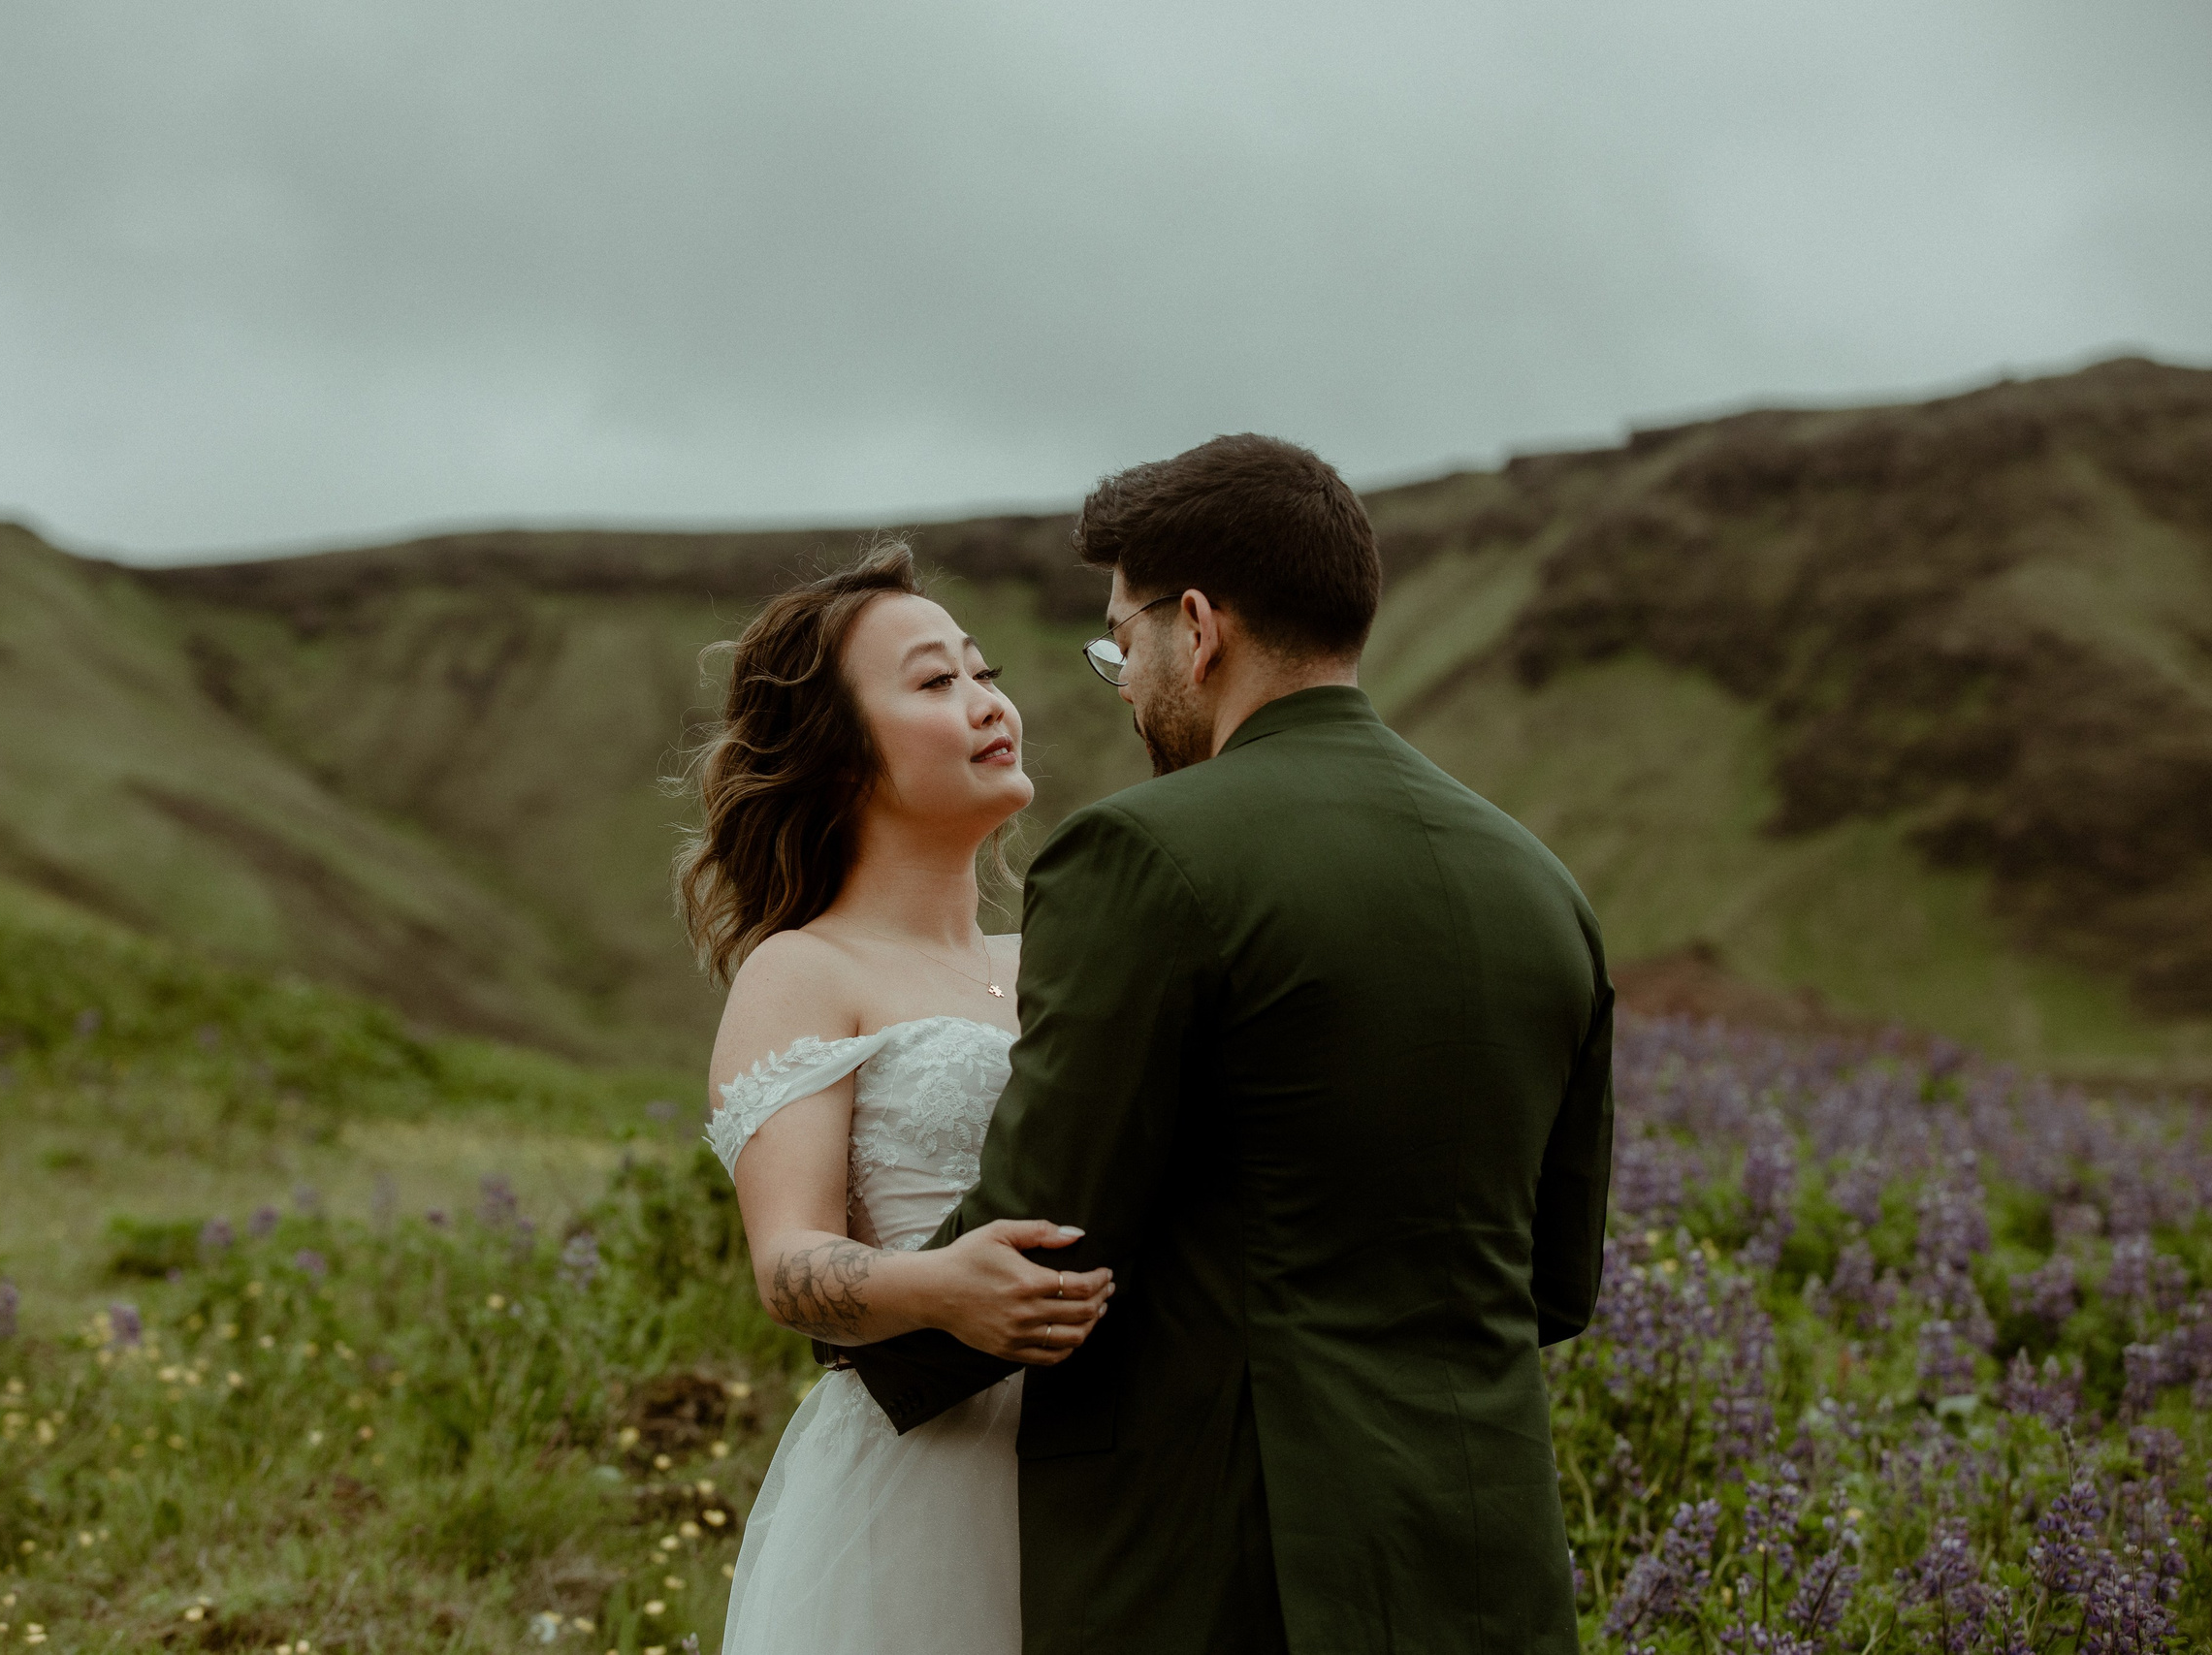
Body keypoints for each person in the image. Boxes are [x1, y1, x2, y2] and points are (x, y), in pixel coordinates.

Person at [845, 433, 1616, 1654]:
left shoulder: (1144, 855)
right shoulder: (1541, 888)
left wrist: (850, 1338)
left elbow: (1051, 1226)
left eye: (1121, 643)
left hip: (1219, 1572)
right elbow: (1557, 1281)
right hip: (1485, 1570)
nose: (1123, 680)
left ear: (1193, 627)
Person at [682, 542, 1112, 1655]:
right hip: (926, 1475)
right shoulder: (805, 971)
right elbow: (788, 1267)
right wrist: (939, 1289)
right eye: (933, 682)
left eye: (982, 670)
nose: (986, 703)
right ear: (836, 756)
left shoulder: (1054, 960)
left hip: (1111, 1464)